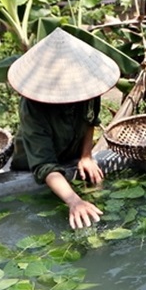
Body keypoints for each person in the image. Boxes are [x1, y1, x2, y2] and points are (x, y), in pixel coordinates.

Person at [8, 27, 120, 229]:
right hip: (34, 164)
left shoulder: (90, 87)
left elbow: (90, 120)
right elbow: (44, 165)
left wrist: (86, 155)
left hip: (70, 156)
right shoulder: (32, 106)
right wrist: (74, 201)